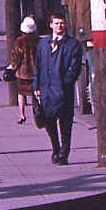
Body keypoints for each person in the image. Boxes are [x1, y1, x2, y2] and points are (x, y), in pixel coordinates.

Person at [33, 13, 84, 165]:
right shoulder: (43, 44)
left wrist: (65, 83)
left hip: (63, 91)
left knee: (66, 124)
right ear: (51, 25)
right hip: (46, 90)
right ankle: (55, 148)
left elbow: (74, 68)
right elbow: (38, 66)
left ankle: (64, 153)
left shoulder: (72, 44)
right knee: (49, 122)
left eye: (61, 23)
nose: (59, 26)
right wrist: (36, 86)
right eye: (56, 23)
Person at [9, 16, 40, 124]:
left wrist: (12, 67)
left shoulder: (20, 41)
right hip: (36, 72)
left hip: (23, 73)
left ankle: (22, 114)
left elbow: (17, 57)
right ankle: (38, 112)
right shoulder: (38, 40)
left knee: (21, 94)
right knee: (36, 94)